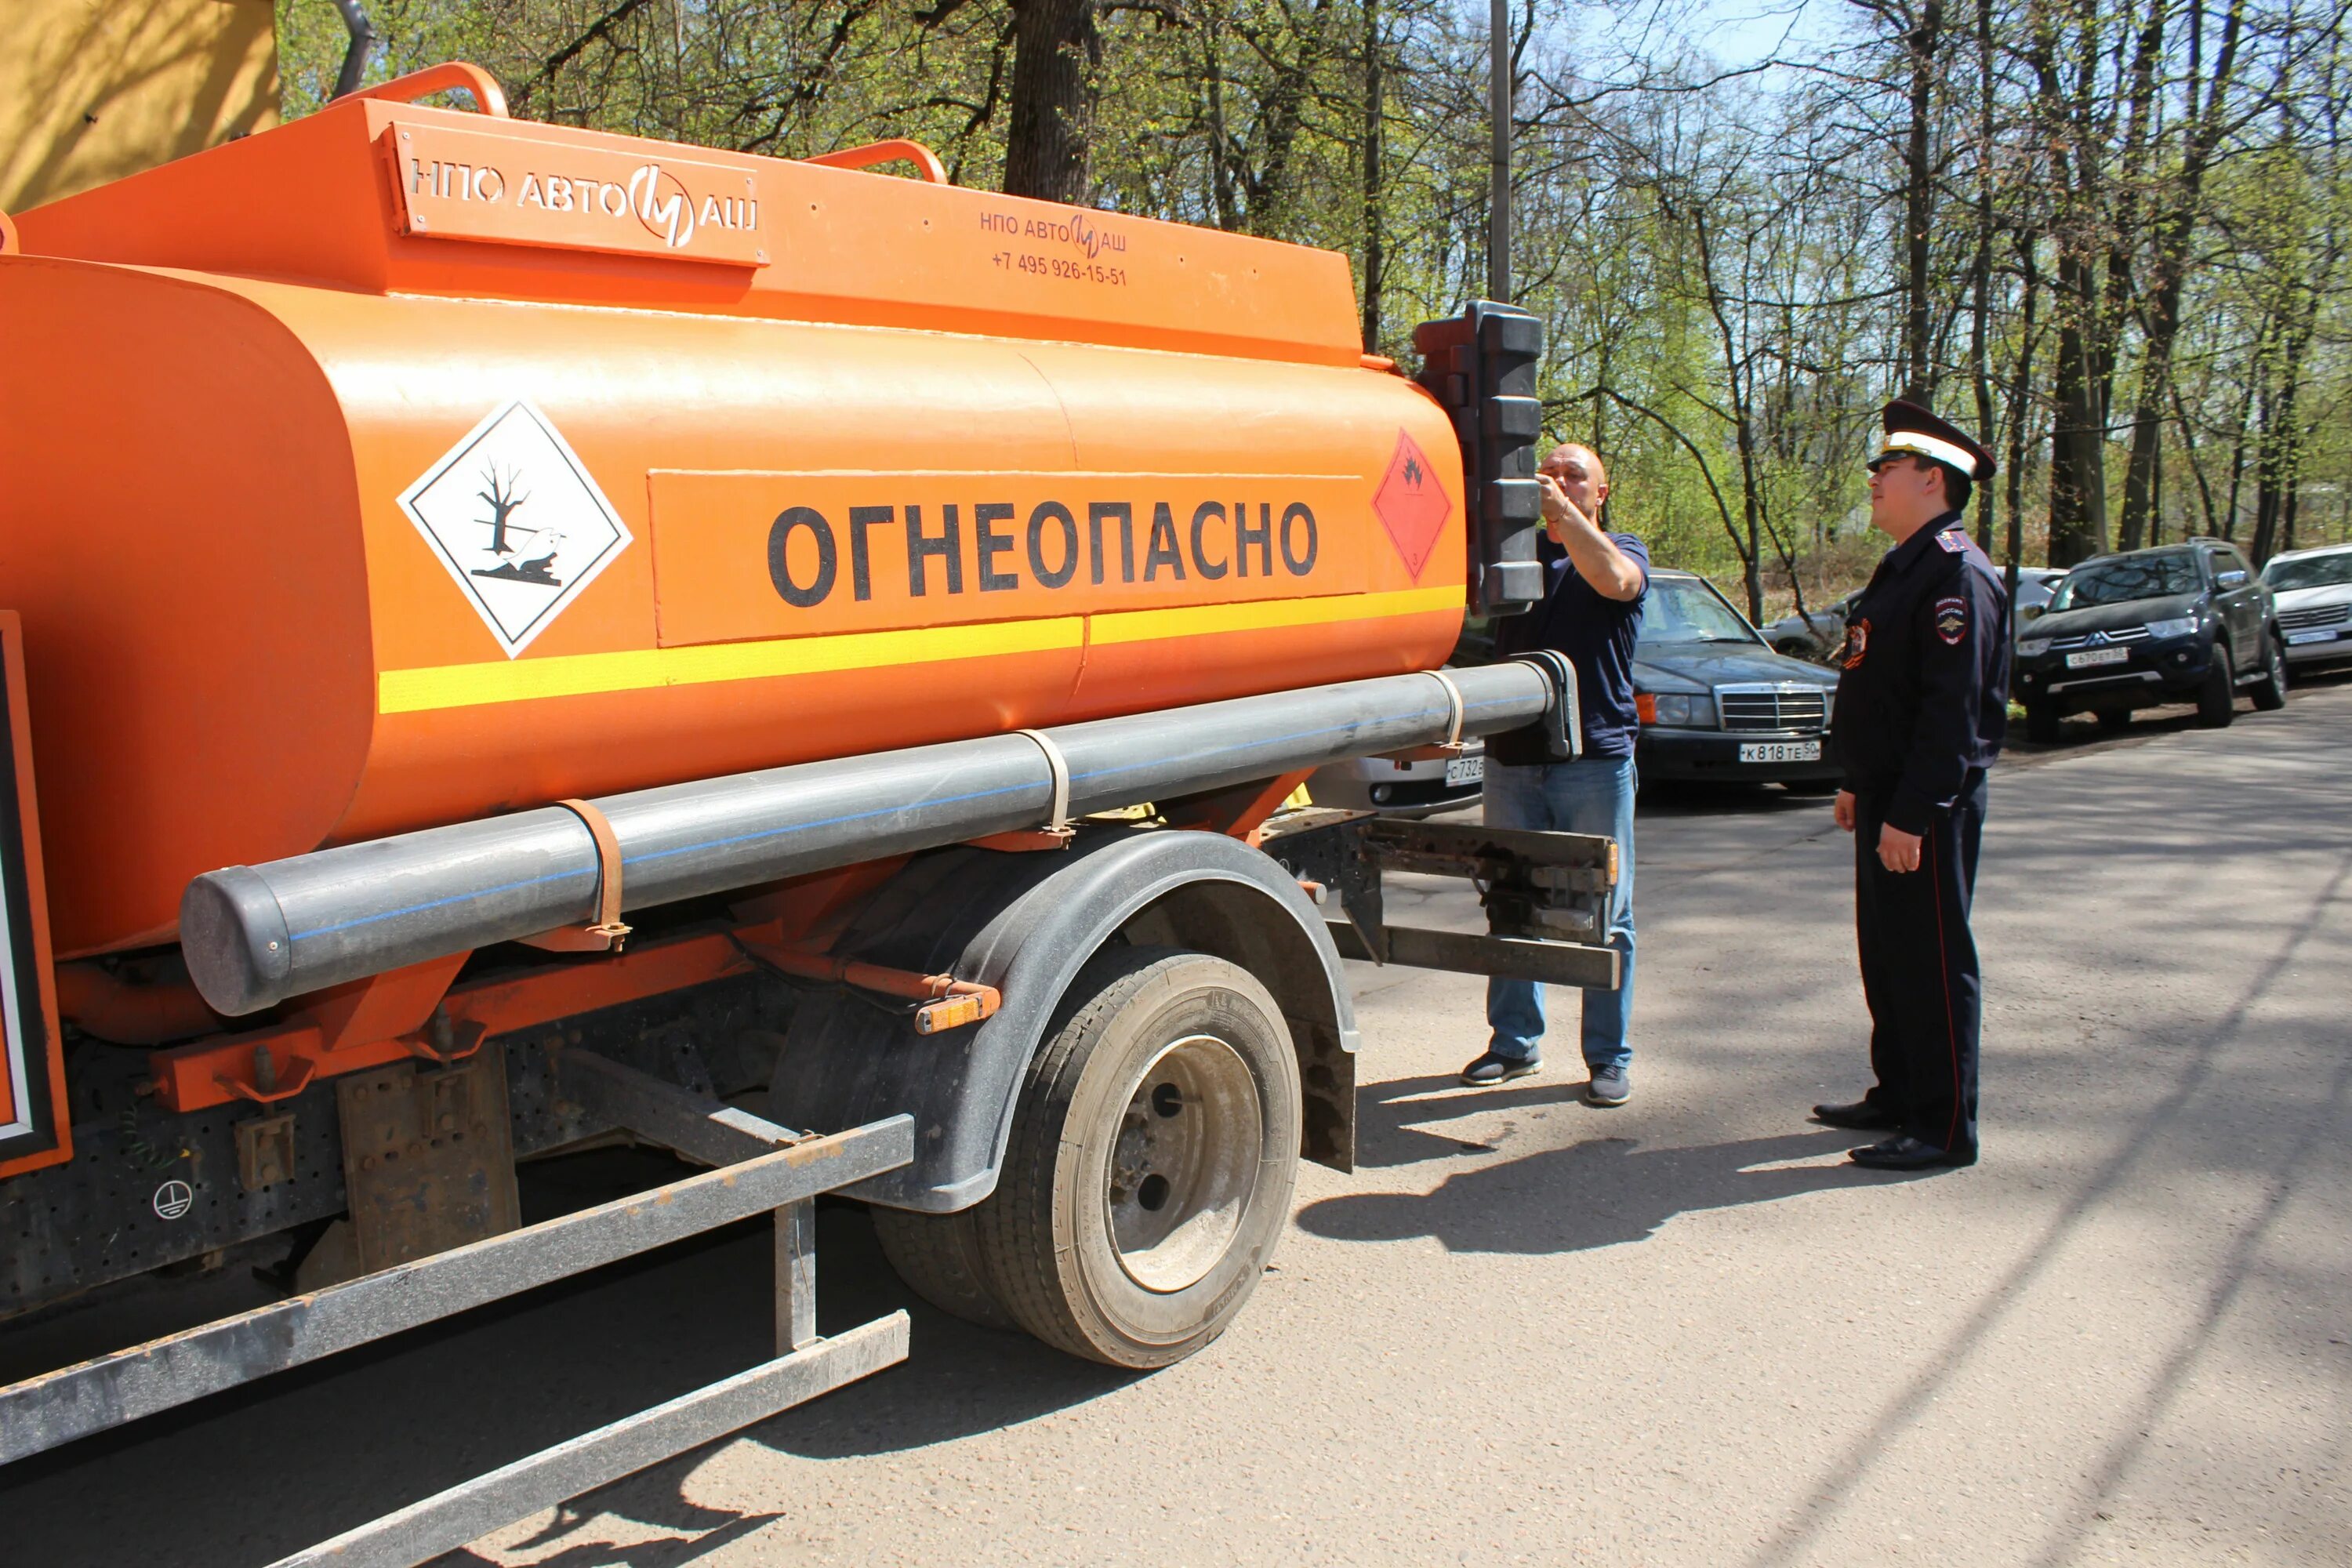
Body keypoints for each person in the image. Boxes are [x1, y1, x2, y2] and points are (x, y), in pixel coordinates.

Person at [1816, 401, 2009, 1170]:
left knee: (1931, 960)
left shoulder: (1957, 573)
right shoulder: (1906, 566)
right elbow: (1881, 689)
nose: (1874, 479)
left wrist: (1915, 811)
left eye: (1887, 468)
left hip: (1925, 803)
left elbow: (1950, 713)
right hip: (1887, 794)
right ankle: (1897, 1091)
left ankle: (1943, 1125)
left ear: (1931, 480)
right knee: (1889, 955)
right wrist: (1860, 784)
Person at [1461, 442, 1647, 1105]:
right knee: (1511, 905)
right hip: (1513, 760)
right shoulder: (1515, 557)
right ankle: (1514, 1045)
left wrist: (1564, 515)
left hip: (1593, 764)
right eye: (1552, 472)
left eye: (1576, 476)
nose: (1559, 481)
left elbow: (1616, 583)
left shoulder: (1620, 549)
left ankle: (1608, 1057)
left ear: (1601, 492)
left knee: (1607, 918)